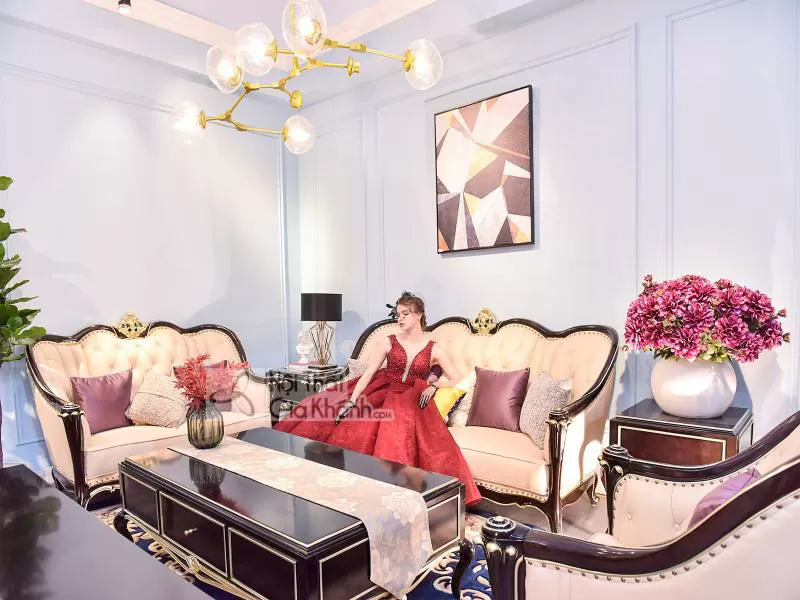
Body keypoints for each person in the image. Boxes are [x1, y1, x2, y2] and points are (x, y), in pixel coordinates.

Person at [275, 293, 481, 505]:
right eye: (398, 314)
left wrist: (433, 385)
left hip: (410, 397)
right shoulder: (388, 342)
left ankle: (401, 494)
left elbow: (456, 378)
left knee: (403, 432)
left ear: (419, 315)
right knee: (349, 425)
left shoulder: (434, 349)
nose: (400, 319)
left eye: (405, 314)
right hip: (382, 390)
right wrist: (351, 401)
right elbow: (367, 375)